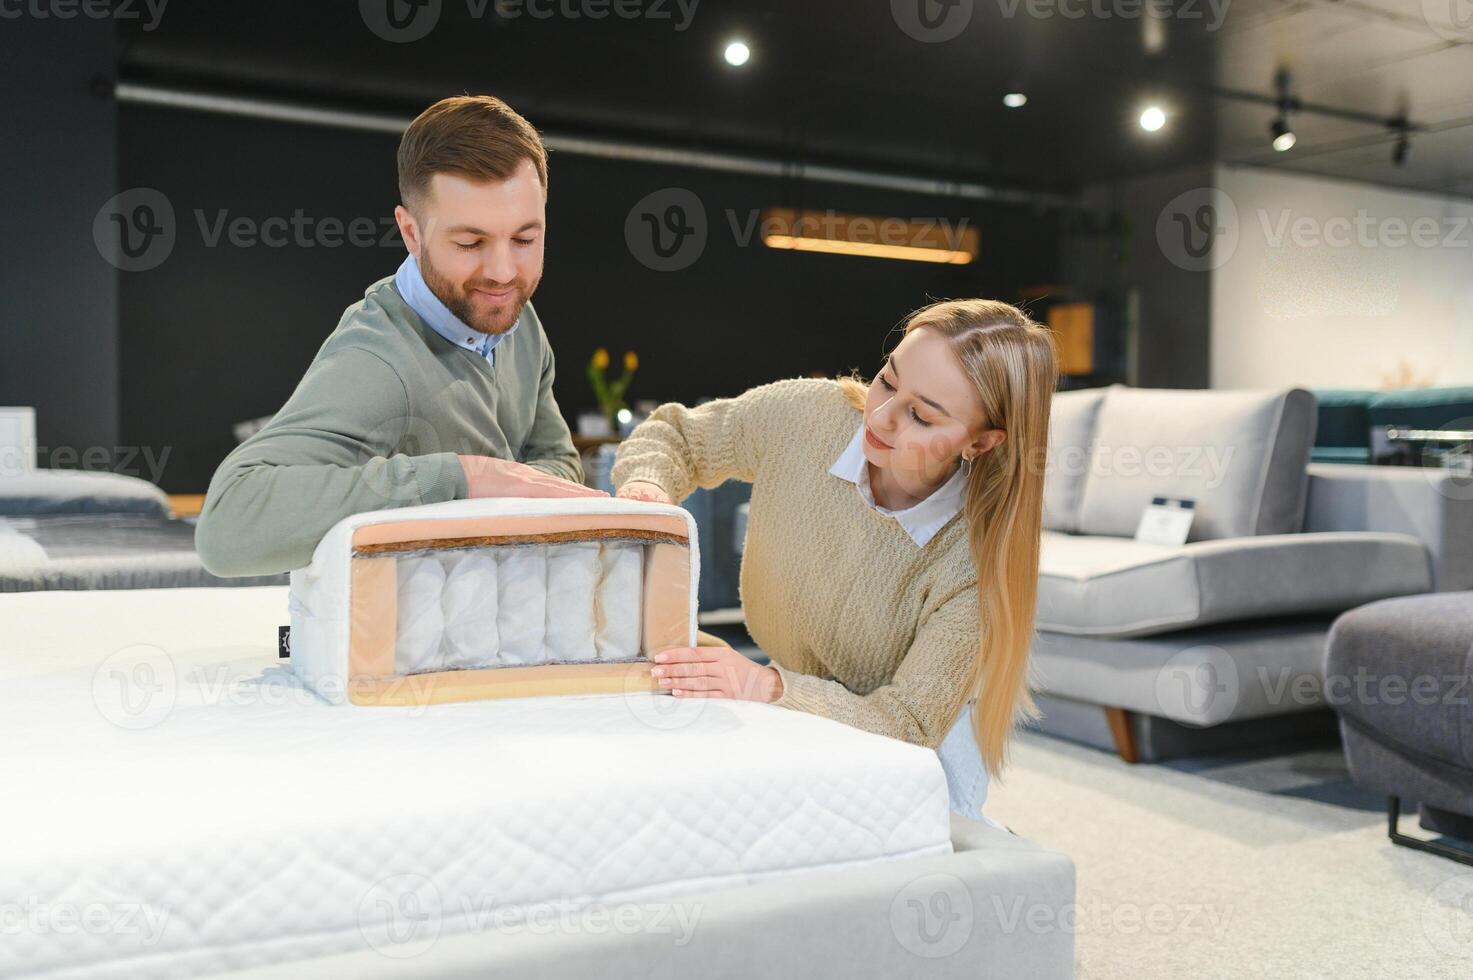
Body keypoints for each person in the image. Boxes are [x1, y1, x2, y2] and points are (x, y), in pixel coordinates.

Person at [612, 299, 1058, 818]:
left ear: (980, 442)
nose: (882, 417)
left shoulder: (971, 567)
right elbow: (678, 436)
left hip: (915, 744)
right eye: (888, 380)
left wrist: (764, 685)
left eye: (920, 416)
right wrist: (647, 490)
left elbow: (907, 724)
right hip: (788, 703)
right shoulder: (807, 415)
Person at [196, 95, 605, 577]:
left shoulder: (518, 320)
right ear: (411, 233)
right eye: (470, 243)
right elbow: (228, 525)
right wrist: (465, 478)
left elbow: (556, 460)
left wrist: (510, 492)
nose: (502, 272)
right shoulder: (377, 360)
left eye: (524, 239)